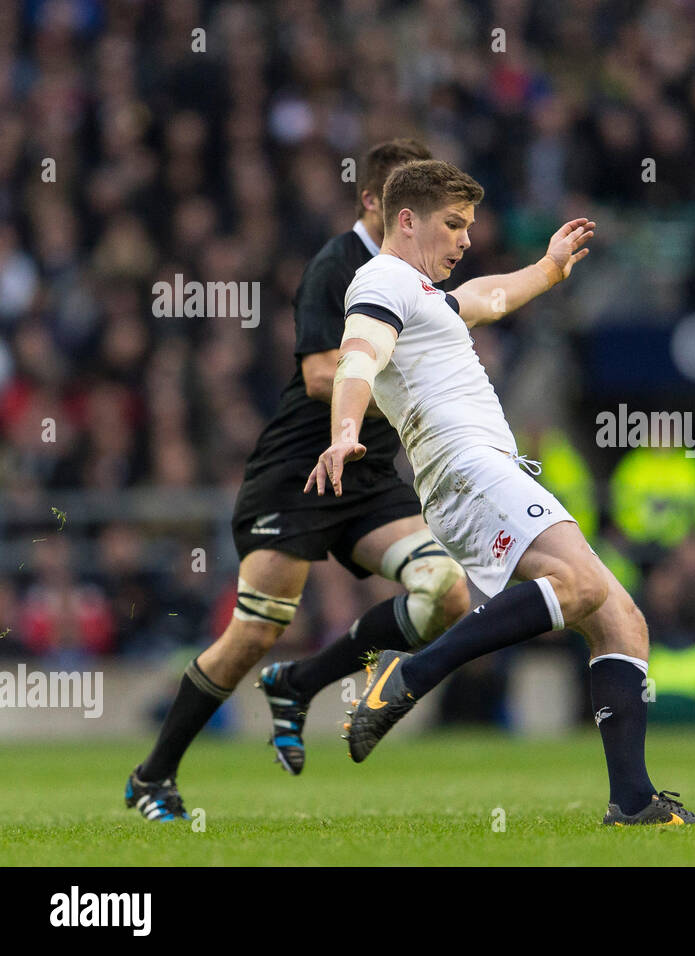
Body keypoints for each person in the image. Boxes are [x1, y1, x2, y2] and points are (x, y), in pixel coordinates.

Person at [307, 158, 695, 825]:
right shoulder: (381, 278)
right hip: (466, 467)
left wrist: (548, 269)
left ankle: (633, 800)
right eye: (453, 224)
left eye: (469, 225)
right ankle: (411, 675)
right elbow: (359, 355)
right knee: (579, 587)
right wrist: (344, 429)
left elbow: (488, 298)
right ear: (405, 221)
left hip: (483, 470)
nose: (465, 240)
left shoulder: (424, 296)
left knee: (621, 621)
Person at [125, 140, 471, 823]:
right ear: (375, 202)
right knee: (252, 633)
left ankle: (303, 681)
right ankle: (151, 777)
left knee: (448, 594)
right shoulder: (336, 267)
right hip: (296, 473)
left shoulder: (418, 277)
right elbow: (320, 376)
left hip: (366, 475)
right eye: (413, 204)